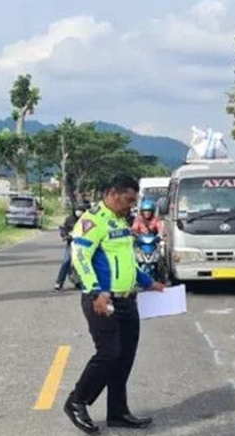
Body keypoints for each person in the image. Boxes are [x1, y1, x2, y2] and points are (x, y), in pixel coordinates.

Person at [64, 175, 165, 434]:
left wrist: (147, 281)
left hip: (127, 300)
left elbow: (127, 261)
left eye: (134, 201)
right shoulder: (92, 220)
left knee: (125, 358)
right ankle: (77, 401)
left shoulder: (120, 220)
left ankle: (118, 412)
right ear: (112, 193)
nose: (132, 206)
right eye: (129, 200)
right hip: (102, 300)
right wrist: (96, 291)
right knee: (109, 353)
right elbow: (80, 257)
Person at [54, 202, 89, 291]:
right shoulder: (70, 219)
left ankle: (80, 282)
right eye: (78, 210)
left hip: (83, 245)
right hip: (71, 244)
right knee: (66, 262)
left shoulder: (87, 220)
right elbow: (64, 229)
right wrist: (65, 235)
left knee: (82, 263)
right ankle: (59, 282)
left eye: (81, 210)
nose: (79, 212)